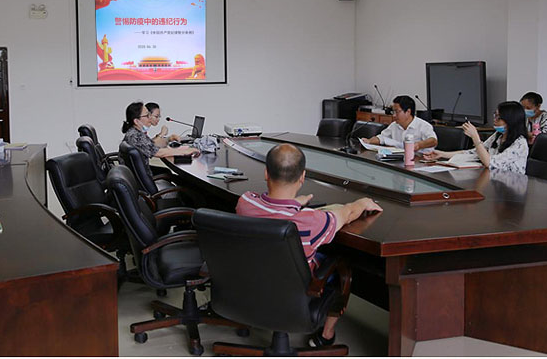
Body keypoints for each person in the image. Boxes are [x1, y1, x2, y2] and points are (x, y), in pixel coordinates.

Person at [235, 143, 382, 349]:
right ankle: (326, 335)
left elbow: (271, 210)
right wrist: (361, 203)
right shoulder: (311, 221)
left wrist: (295, 203)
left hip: (251, 284)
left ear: (266, 173)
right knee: (341, 266)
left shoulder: (245, 202)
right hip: (295, 294)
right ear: (302, 177)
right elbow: (347, 213)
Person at [427, 101, 529, 174]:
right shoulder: (498, 135)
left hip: (511, 185)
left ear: (511, 120)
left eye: (499, 117)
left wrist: (475, 137)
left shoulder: (520, 144)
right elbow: (475, 152)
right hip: (493, 179)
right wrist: (442, 154)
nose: (495, 119)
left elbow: (489, 163)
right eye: (495, 115)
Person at [121, 102, 199, 175]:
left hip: (137, 173)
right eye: (147, 115)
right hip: (141, 177)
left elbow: (152, 145)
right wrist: (185, 151)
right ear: (136, 121)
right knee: (173, 176)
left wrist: (169, 139)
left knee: (166, 172)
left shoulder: (134, 132)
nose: (150, 118)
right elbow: (159, 153)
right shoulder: (136, 136)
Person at [361, 95, 437, 152]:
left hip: (419, 161)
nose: (394, 115)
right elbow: (382, 137)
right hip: (400, 159)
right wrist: (369, 141)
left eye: (397, 112)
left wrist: (418, 145)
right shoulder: (394, 125)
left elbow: (433, 141)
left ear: (408, 112)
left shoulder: (423, 125)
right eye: (393, 112)